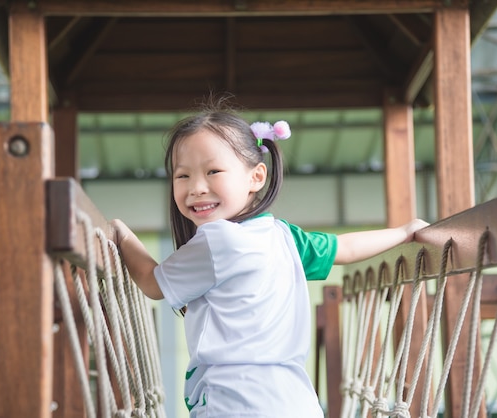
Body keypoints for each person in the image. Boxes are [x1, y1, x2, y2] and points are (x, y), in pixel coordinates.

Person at [111, 99, 428, 418]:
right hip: (296, 402)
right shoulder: (284, 236)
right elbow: (343, 249)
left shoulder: (219, 240)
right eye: (182, 176)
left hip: (235, 402)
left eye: (213, 171)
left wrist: (122, 235)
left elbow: (153, 283)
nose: (196, 187)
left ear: (256, 177)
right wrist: (403, 232)